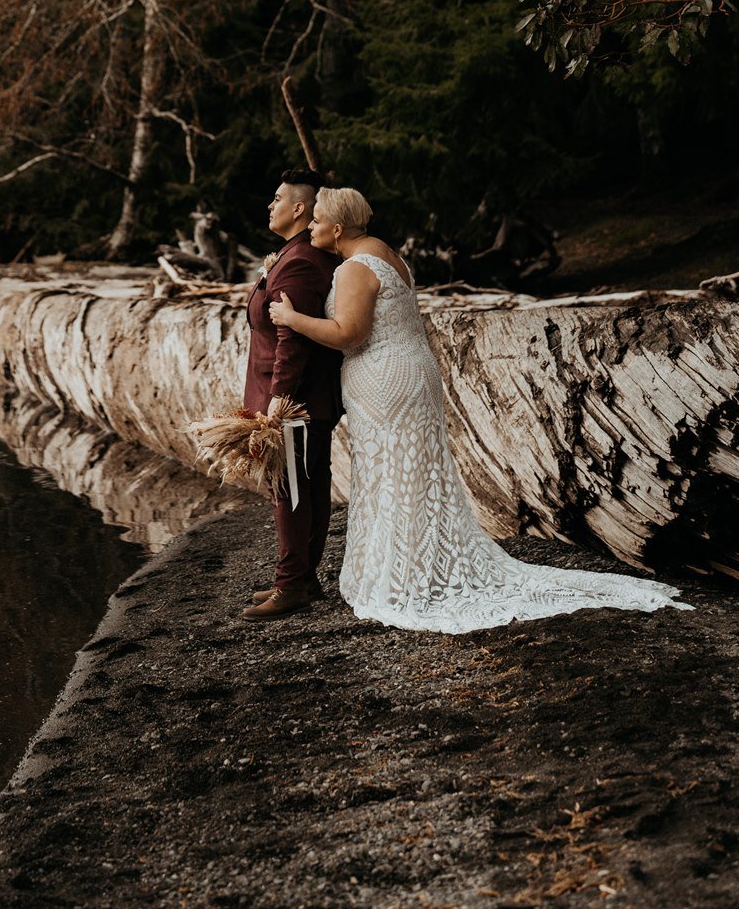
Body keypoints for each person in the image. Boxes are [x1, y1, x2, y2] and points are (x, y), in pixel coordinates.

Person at [269, 187, 690, 633]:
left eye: (315, 221)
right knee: (410, 474)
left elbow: (349, 334)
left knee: (391, 474)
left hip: (383, 377)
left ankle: (406, 576)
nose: (310, 227)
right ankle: (416, 565)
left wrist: (292, 320)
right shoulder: (386, 254)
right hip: (410, 370)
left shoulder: (354, 268)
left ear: (336, 228)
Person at [240, 169, 343, 620]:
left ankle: (291, 586)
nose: (270, 205)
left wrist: (279, 401)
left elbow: (292, 340)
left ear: (299, 208)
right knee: (308, 487)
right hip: (303, 399)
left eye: (277, 198)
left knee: (289, 489)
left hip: (296, 401)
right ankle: (303, 578)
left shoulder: (300, 260)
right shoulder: (292, 254)